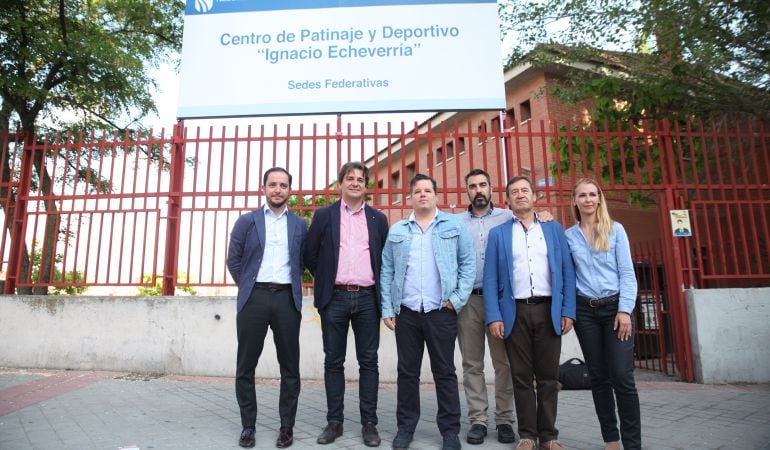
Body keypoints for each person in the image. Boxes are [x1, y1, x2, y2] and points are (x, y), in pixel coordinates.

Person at [380, 173, 475, 450]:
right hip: (407, 312)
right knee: (407, 372)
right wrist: (388, 307)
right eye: (418, 191)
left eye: (427, 190)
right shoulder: (397, 230)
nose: (422, 194)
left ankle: (449, 432)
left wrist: (456, 300)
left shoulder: (453, 226)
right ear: (411, 197)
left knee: (444, 372)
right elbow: (387, 270)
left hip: (440, 310)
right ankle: (405, 428)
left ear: (436, 195)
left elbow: (467, 265)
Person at [483, 175, 576, 450]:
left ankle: (548, 436)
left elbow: (567, 271)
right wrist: (494, 316)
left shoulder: (553, 229)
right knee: (521, 376)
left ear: (534, 196)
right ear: (508, 201)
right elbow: (490, 279)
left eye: (525, 190)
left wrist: (568, 309)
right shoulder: (498, 234)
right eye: (514, 192)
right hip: (515, 312)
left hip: (549, 310)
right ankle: (526, 435)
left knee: (548, 377)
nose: (520, 195)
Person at [305, 162, 389, 447]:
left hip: (368, 298)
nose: (355, 183)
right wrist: (329, 279)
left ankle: (369, 423)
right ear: (339, 183)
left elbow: (384, 260)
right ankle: (334, 422)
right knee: (334, 361)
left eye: (360, 179)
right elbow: (310, 254)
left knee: (369, 362)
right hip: (335, 298)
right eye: (349, 178)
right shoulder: (324, 215)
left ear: (366, 185)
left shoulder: (378, 218)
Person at [227, 167, 307, 449]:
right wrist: (248, 285)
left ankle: (287, 427)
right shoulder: (247, 222)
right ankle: (248, 426)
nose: (278, 190)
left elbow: (304, 260)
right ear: (264, 188)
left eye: (283, 185)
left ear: (289, 190)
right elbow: (233, 260)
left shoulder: (299, 225)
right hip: (255, 297)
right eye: (273, 184)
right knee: (246, 365)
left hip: (286, 299)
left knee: (290, 367)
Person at [565, 178, 641, 450]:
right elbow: (567, 275)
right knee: (598, 377)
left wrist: (624, 311)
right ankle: (611, 440)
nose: (588, 200)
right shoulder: (568, 236)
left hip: (615, 309)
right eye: (582, 195)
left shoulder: (616, 231)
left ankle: (633, 444)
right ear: (574, 200)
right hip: (586, 312)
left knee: (622, 375)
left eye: (592, 195)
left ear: (599, 198)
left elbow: (628, 275)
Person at [455, 169, 516, 445]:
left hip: (500, 301)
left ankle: (505, 420)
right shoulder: (455, 223)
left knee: (504, 363)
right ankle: (478, 419)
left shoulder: (508, 217)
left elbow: (532, 223)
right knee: (472, 363)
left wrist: (546, 215)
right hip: (467, 301)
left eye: (482, 185)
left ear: (491, 188)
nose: (478, 190)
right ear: (466, 191)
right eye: (472, 186)